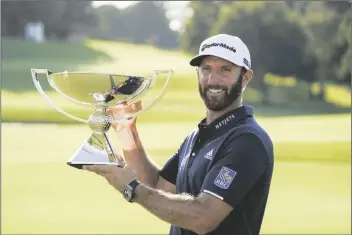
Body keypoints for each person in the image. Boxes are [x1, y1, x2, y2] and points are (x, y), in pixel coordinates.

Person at [83, 34, 274, 235]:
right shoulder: (196, 136)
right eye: (206, 69)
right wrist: (125, 130)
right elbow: (157, 186)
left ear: (245, 78)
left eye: (225, 70)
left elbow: (203, 217)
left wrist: (130, 188)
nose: (213, 80)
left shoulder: (247, 140)